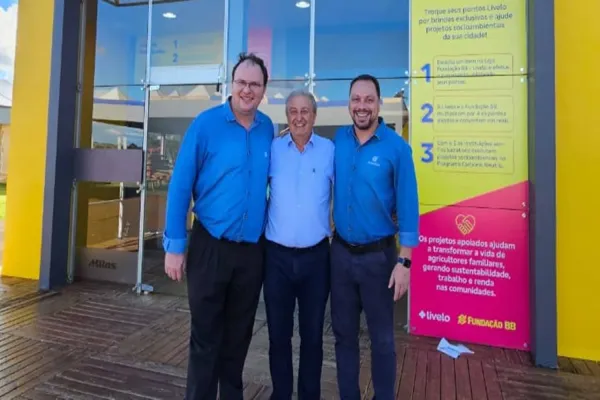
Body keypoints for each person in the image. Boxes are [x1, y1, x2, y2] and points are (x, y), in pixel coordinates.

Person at [162, 53, 274, 400]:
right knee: (205, 338)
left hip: (251, 253)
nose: (247, 90)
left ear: (263, 89)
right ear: (231, 84)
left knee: (238, 338)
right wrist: (174, 246)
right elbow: (180, 185)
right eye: (241, 82)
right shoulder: (205, 125)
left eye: (255, 84)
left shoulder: (267, 128)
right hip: (210, 246)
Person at [331, 74, 419, 400]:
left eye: (369, 100)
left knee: (382, 340)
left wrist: (405, 262)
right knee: (344, 337)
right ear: (349, 103)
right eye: (356, 99)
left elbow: (408, 206)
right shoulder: (339, 141)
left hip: (379, 260)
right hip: (340, 255)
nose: (362, 106)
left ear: (379, 104)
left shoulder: (397, 148)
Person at [264, 90, 334, 400]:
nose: (299, 117)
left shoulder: (330, 151)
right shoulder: (273, 149)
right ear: (287, 116)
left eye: (305, 111)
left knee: (313, 337)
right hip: (276, 258)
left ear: (314, 116)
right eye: (293, 111)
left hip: (316, 259)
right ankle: (281, 394)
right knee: (278, 336)